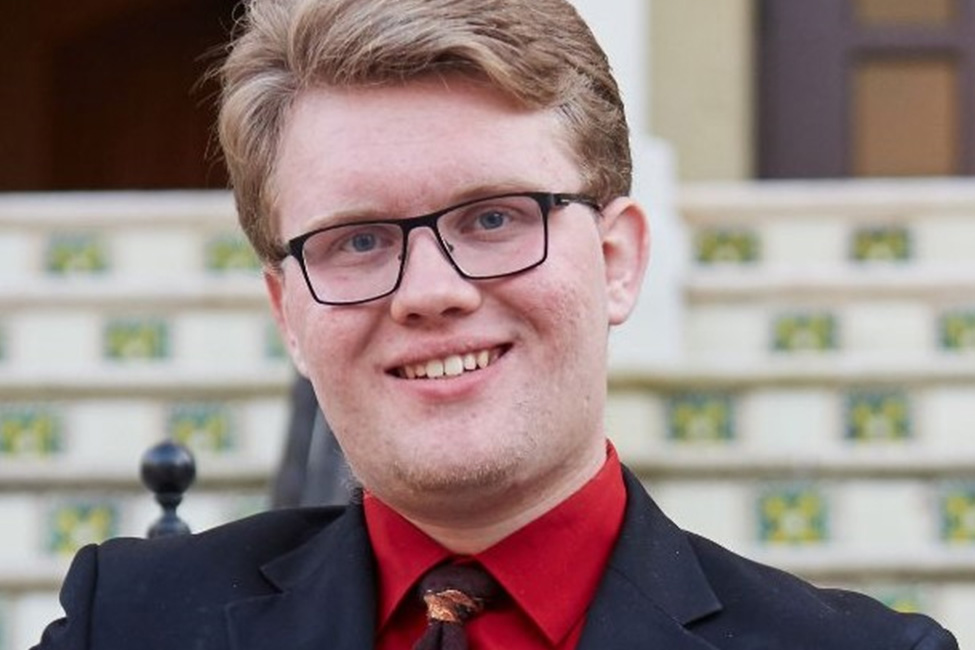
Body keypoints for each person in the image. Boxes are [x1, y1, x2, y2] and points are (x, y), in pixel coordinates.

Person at [34, 0, 959, 648]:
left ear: (617, 261)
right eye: (358, 240)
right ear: (289, 313)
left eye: (492, 218)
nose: (428, 292)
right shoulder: (126, 624)